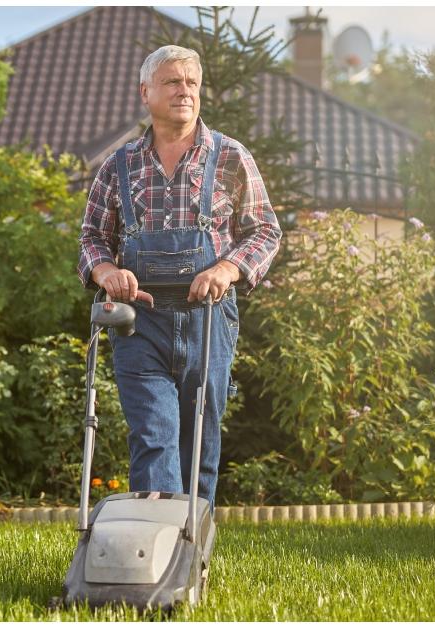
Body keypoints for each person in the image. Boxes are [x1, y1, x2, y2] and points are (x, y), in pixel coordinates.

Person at [77, 45, 282, 505]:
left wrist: (228, 268)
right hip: (138, 323)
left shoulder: (230, 157)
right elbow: (91, 237)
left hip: (207, 320)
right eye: (172, 82)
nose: (184, 91)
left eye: (191, 83)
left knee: (199, 444)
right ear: (145, 92)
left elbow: (266, 231)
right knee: (154, 435)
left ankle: (192, 554)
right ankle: (154, 553)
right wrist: (106, 269)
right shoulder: (119, 165)